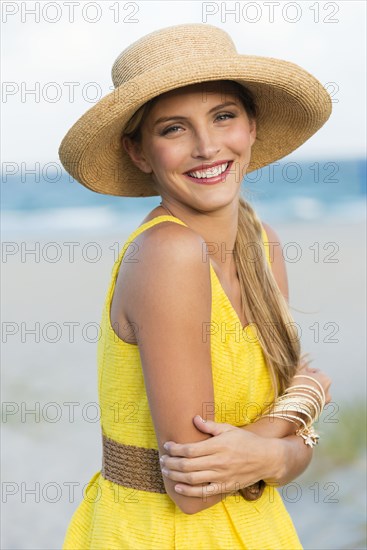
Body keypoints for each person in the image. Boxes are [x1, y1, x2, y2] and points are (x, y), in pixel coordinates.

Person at [59, 23, 332, 549]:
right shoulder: (168, 253)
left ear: (251, 126)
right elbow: (195, 487)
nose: (207, 147)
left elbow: (286, 451)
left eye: (223, 117)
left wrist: (281, 445)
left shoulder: (261, 244)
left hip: (259, 528)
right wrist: (306, 399)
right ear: (139, 153)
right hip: (160, 534)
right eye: (173, 129)